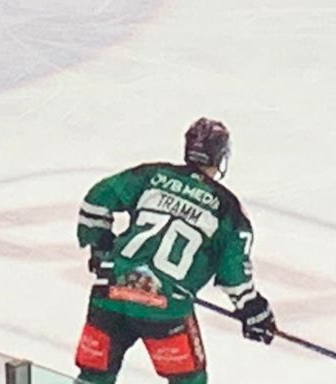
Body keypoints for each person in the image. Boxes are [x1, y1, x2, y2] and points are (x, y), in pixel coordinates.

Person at [74, 119, 275, 384]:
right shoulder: (228, 209)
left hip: (110, 291)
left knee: (93, 377)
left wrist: (100, 247)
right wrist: (253, 308)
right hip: (165, 307)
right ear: (220, 156)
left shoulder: (152, 175)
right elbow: (233, 272)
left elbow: (96, 200)